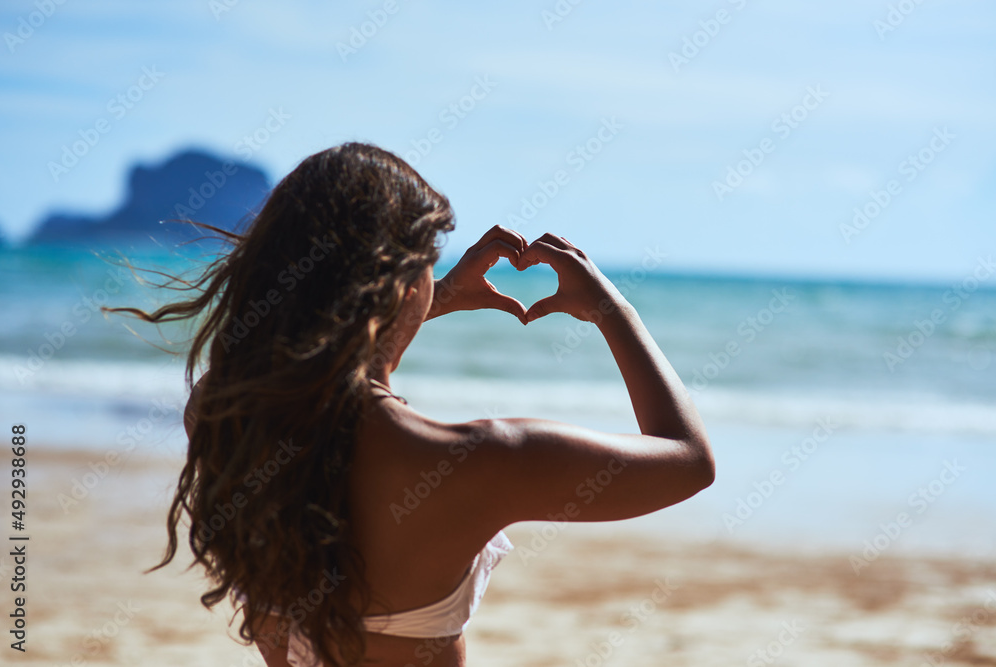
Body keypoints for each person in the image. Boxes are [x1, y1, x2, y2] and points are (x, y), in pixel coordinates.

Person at [115, 142, 714, 667]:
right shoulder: (475, 462)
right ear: (403, 287)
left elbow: (315, 363)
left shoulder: (225, 418)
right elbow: (689, 459)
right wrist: (614, 311)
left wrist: (428, 300)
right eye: (429, 267)